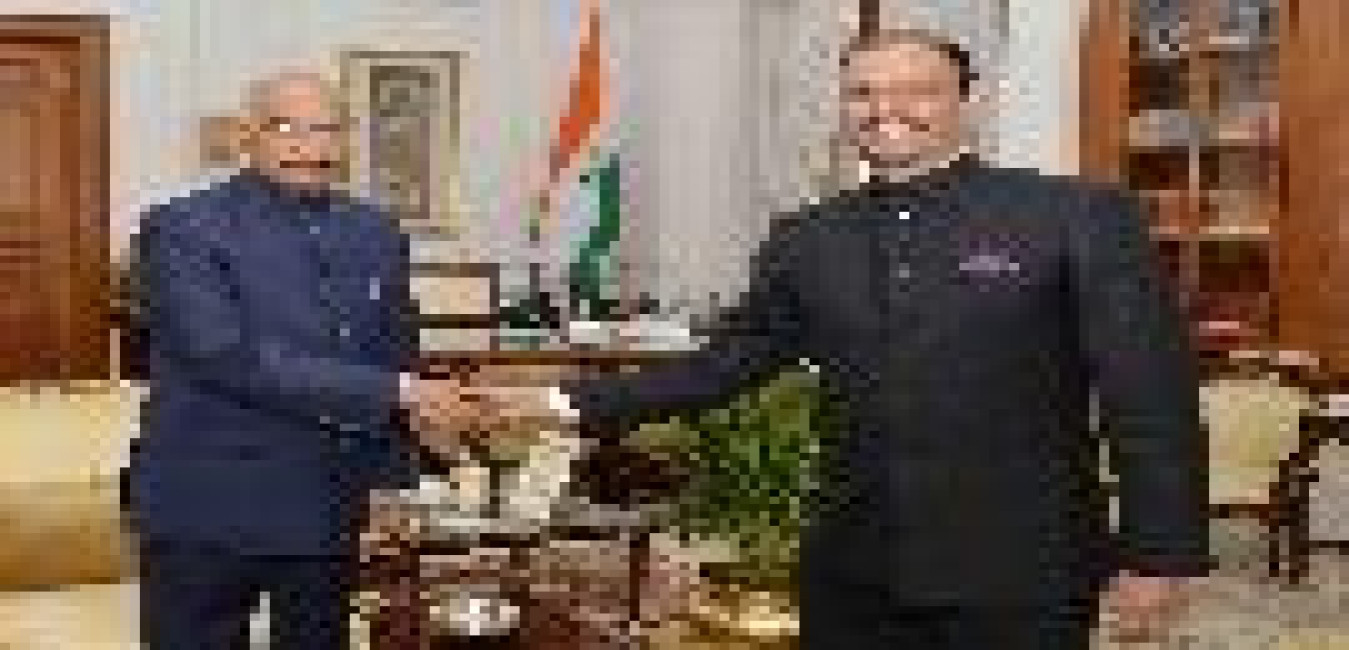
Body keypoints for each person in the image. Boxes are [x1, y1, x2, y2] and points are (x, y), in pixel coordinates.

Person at [520, 27, 1210, 649]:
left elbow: (1150, 397)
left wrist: (1159, 555)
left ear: (967, 102)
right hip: (851, 572)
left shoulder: (1073, 216)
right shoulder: (807, 239)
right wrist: (557, 403)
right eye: (863, 93)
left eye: (917, 91)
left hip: (1021, 572)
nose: (886, 109)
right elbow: (722, 367)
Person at [123, 70, 498, 650]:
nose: (309, 146)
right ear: (247, 136)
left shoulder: (376, 232)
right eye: (285, 128)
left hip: (326, 507)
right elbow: (226, 356)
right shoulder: (181, 228)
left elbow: (393, 354)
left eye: (327, 130)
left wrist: (395, 483)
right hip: (208, 508)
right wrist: (400, 392)